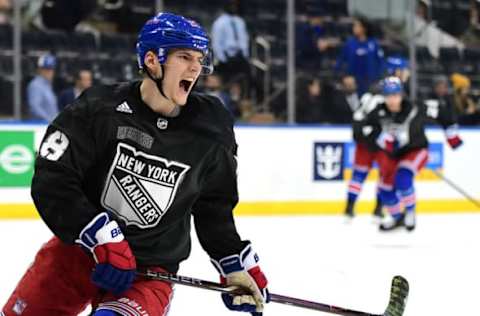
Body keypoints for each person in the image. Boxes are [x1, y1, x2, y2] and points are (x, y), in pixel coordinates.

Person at [2, 12, 269, 316]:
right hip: (77, 254)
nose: (196, 67)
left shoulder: (211, 126)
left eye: (199, 58)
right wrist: (98, 233)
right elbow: (54, 178)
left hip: (149, 272)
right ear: (152, 60)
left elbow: (213, 205)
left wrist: (232, 259)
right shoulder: (101, 109)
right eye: (184, 56)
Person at [357, 77, 463, 231]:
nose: (392, 100)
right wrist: (379, 139)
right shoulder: (378, 112)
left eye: (395, 95)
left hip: (417, 149)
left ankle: (410, 213)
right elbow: (363, 131)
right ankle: (397, 218)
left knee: (403, 176)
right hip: (393, 155)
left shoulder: (416, 107)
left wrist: (452, 136)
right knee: (385, 190)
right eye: (388, 95)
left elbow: (442, 113)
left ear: (401, 94)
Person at [335, 16, 384, 96]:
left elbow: (381, 63)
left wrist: (377, 79)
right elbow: (340, 62)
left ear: (364, 28)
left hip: (370, 85)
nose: (354, 28)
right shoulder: (350, 44)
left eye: (356, 26)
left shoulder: (373, 44)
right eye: (354, 26)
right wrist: (344, 77)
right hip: (353, 85)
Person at [211, 0, 251, 97]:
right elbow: (216, 43)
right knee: (227, 82)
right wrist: (223, 59)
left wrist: (245, 55)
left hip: (240, 57)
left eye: (235, 5)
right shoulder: (219, 22)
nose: (234, 7)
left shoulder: (240, 22)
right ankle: (228, 100)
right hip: (226, 59)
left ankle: (242, 101)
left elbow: (244, 39)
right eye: (231, 4)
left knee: (246, 80)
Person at [26, 53, 59, 122]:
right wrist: (49, 120)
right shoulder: (35, 85)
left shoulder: (47, 85)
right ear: (39, 69)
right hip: (40, 126)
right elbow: (35, 108)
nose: (49, 72)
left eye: (51, 68)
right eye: (46, 69)